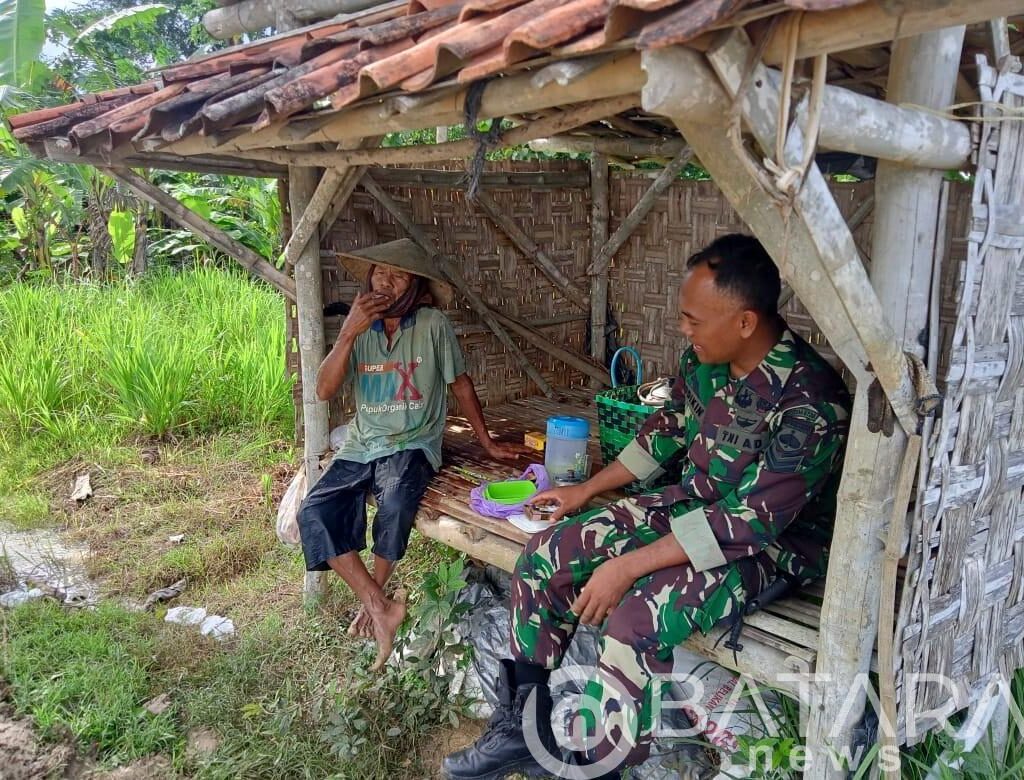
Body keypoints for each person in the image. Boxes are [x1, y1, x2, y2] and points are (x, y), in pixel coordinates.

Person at [442, 234, 852, 778]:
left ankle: (599, 763)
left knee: (638, 614)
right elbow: (663, 433)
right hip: (693, 507)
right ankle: (523, 727)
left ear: (746, 322)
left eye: (693, 319)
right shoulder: (705, 362)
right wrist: (584, 491)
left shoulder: (810, 401)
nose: (683, 329)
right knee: (547, 554)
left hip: (771, 547)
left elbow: (746, 524)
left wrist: (628, 565)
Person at [298, 238, 524, 671]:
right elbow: (324, 390)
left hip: (413, 442)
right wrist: (347, 333)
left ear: (415, 286)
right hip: (363, 443)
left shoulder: (433, 324)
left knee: (397, 502)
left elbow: (459, 383)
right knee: (314, 512)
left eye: (398, 274)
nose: (385, 280)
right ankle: (380, 606)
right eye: (379, 272)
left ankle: (375, 605)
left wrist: (488, 441)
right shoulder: (358, 327)